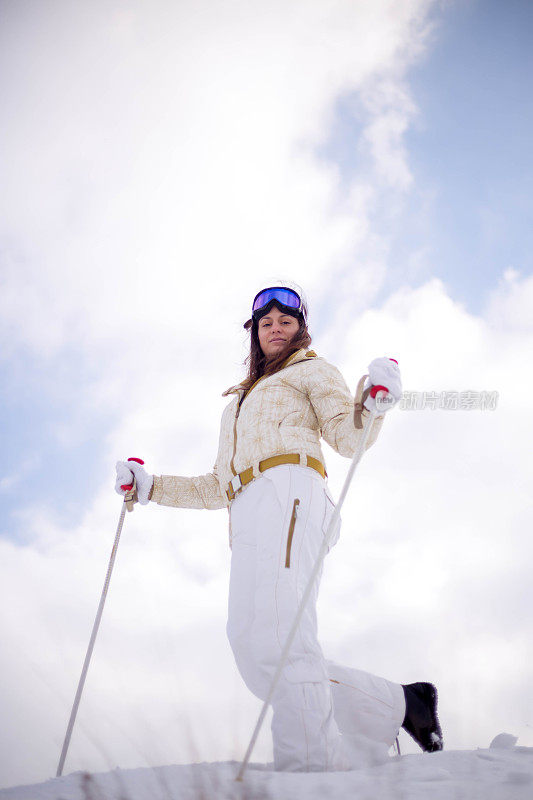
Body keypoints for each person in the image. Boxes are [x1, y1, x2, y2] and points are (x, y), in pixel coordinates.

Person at [115, 281, 443, 772]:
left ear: (300, 329)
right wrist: (150, 486)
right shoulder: (238, 403)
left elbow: (346, 435)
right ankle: (400, 704)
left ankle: (308, 769)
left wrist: (373, 403)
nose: (275, 329)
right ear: (254, 334)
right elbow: (217, 485)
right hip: (246, 508)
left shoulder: (310, 370)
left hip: (289, 489)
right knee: (251, 644)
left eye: (285, 322)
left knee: (283, 635)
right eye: (266, 323)